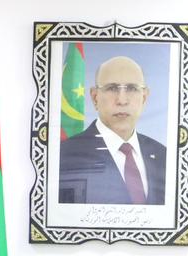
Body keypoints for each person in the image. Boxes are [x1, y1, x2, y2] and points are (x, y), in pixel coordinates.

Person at [58, 55, 167, 205]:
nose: (122, 100)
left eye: (132, 88)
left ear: (144, 98)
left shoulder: (164, 156)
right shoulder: (64, 156)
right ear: (95, 97)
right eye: (112, 88)